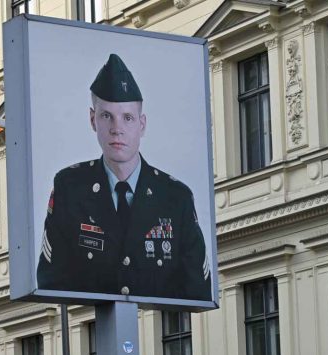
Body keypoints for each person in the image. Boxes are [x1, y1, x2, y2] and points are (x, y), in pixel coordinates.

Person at [36, 53, 209, 302]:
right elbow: (51, 281)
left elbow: (197, 289)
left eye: (127, 118)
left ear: (142, 124)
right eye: (107, 116)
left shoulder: (175, 197)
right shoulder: (70, 188)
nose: (117, 129)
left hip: (156, 323)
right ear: (92, 120)